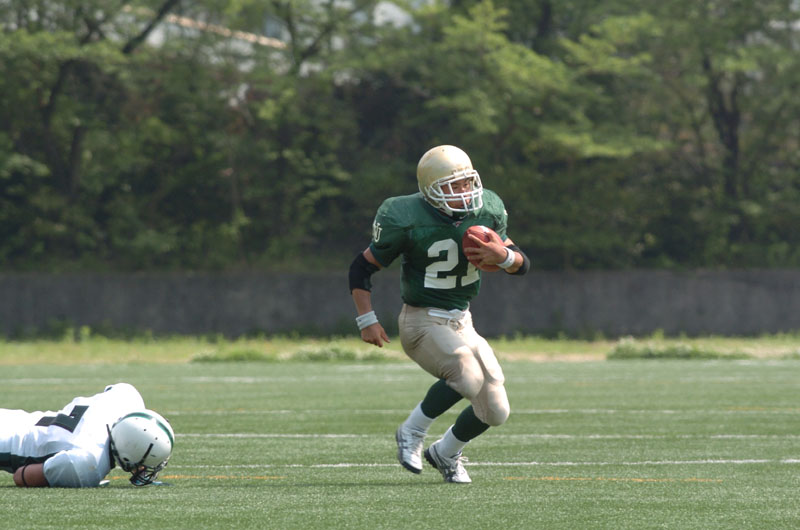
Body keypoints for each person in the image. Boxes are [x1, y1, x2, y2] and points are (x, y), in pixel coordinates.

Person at [349, 144, 530, 483]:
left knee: (496, 410)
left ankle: (445, 453)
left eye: (466, 183)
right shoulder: (406, 216)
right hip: (421, 321)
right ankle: (412, 431)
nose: (463, 192)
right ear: (430, 190)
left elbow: (521, 264)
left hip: (463, 322)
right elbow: (361, 267)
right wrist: (367, 319)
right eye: (452, 186)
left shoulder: (487, 209)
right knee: (466, 374)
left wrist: (502, 256)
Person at [0, 382, 174, 488]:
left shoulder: (124, 399)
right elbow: (22, 476)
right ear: (127, 455)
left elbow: (121, 391)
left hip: (12, 417)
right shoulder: (88, 463)